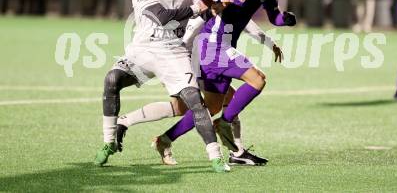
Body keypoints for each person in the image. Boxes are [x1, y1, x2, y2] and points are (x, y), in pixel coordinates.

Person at [152, 0, 296, 165]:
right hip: (212, 44)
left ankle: (164, 140)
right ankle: (225, 124)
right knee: (257, 79)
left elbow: (274, 17)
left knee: (209, 107)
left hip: (221, 46)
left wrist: (286, 20)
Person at [93, 0, 230, 173]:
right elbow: (162, 18)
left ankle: (216, 157)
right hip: (144, 50)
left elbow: (204, 10)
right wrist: (199, 7)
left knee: (195, 102)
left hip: (173, 53)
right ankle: (108, 143)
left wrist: (216, 6)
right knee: (112, 79)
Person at [116, 16, 283, 166]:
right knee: (184, 106)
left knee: (212, 106)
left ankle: (164, 139)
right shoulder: (214, 1)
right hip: (197, 60)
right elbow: (187, 36)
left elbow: (246, 22)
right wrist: (176, 69)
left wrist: (270, 43)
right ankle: (236, 149)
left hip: (209, 58)